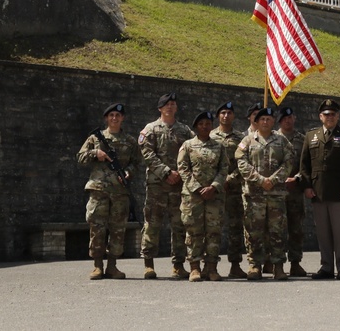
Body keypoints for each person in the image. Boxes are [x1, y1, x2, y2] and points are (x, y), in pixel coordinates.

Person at [76, 103, 139, 280]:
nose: (114, 118)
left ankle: (112, 266)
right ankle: (97, 266)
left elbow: (136, 162)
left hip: (120, 191)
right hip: (99, 189)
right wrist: (96, 153)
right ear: (106, 118)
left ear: (123, 118)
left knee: (118, 229)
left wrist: (128, 172)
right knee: (97, 228)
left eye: (118, 115)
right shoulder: (95, 138)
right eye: (111, 115)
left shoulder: (130, 141)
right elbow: (80, 157)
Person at [299, 99, 340, 280]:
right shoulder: (311, 136)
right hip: (318, 192)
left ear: (338, 116)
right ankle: (326, 267)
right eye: (326, 114)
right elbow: (304, 165)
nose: (330, 117)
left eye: (333, 114)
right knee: (323, 233)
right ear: (320, 117)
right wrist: (307, 187)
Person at [139, 92, 194, 280]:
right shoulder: (150, 129)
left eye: (173, 103)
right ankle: (148, 264)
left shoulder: (185, 130)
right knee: (152, 224)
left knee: (179, 225)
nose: (170, 107)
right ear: (160, 108)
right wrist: (166, 173)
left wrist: (180, 173)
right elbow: (147, 154)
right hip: (157, 185)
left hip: (178, 185)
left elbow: (191, 151)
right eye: (166, 104)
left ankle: (178, 265)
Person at [235, 106, 292, 280]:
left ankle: (279, 266)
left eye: (268, 119)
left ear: (273, 121)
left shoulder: (282, 141)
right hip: (255, 195)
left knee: (278, 231)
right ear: (257, 122)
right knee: (254, 231)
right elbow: (241, 162)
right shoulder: (247, 141)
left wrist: (273, 180)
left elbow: (288, 163)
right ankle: (254, 265)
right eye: (262, 119)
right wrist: (260, 180)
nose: (265, 122)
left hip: (276, 195)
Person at [177, 110, 227, 282]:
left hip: (214, 196)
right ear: (196, 127)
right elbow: (183, 168)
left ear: (211, 126)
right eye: (201, 124)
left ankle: (211, 268)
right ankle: (195, 268)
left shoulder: (219, 146)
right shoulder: (188, 145)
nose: (205, 127)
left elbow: (224, 169)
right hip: (193, 197)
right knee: (194, 232)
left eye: (207, 124)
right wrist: (197, 188)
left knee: (214, 232)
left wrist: (214, 186)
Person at [209, 101, 247, 278]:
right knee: (212, 228)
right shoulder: (209, 136)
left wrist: (230, 179)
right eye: (223, 112)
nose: (226, 116)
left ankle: (235, 264)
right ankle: (210, 266)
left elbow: (244, 163)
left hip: (233, 190)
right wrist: (217, 182)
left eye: (229, 113)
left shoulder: (240, 138)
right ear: (218, 116)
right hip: (213, 190)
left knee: (235, 227)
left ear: (234, 116)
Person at [276, 106, 308, 277]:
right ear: (279, 121)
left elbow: (306, 164)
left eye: (290, 117)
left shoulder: (302, 140)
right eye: (284, 118)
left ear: (294, 118)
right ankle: (276, 263)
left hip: (295, 191)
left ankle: (295, 262)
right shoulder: (273, 138)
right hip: (276, 191)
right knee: (276, 229)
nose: (287, 120)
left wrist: (296, 178)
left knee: (296, 228)